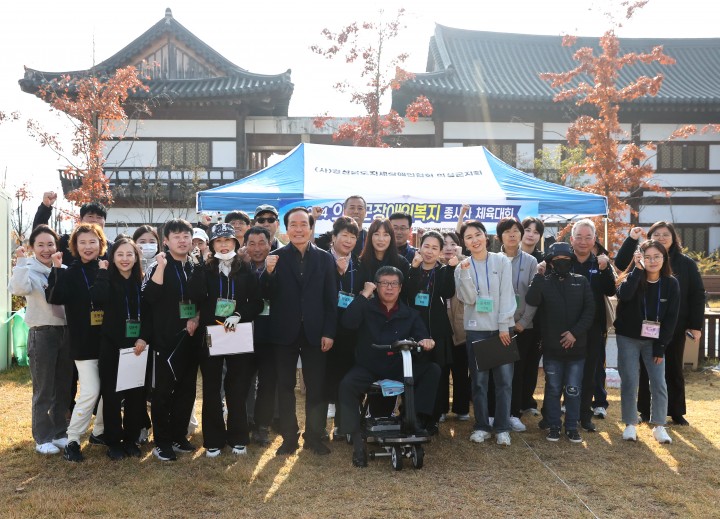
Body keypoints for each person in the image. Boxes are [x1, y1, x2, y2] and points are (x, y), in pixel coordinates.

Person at [338, 266, 440, 467]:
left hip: (398, 366)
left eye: (394, 284)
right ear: (376, 286)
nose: (389, 288)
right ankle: (356, 437)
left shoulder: (410, 314)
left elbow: (422, 336)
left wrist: (426, 341)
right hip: (369, 366)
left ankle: (413, 420)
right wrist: (364, 294)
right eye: (384, 283)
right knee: (347, 385)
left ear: (400, 288)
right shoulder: (365, 307)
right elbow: (348, 322)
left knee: (432, 370)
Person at [261, 207, 338, 456]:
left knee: (316, 387)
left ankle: (314, 436)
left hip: (316, 333)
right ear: (286, 229)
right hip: (283, 332)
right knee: (285, 387)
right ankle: (289, 438)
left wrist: (329, 332)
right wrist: (268, 273)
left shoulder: (325, 259)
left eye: (303, 224)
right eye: (293, 224)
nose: (298, 229)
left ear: (311, 228)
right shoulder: (275, 257)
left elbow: (331, 300)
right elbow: (266, 295)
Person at [614, 222, 704, 425]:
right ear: (649, 238)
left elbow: (697, 294)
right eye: (657, 234)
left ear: (674, 238)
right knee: (646, 371)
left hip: (674, 324)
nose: (661, 237)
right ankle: (645, 410)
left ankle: (676, 411)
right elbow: (621, 265)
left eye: (666, 234)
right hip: (641, 329)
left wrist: (695, 325)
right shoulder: (642, 260)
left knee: (673, 368)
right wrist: (631, 239)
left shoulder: (686, 263)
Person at [190, 223, 263, 457]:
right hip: (211, 334)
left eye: (228, 241)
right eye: (219, 241)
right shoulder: (205, 269)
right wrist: (199, 265)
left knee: (237, 387)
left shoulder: (245, 269)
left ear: (235, 243)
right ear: (212, 245)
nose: (223, 245)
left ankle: (238, 437)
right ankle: (213, 439)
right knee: (211, 388)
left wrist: (239, 314)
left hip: (237, 333)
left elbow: (257, 302)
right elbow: (195, 295)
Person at [46, 223, 109, 462]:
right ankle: (73, 439)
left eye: (92, 241)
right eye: (82, 242)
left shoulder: (107, 267)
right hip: (83, 343)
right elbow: (55, 297)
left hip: (108, 341)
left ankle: (99, 432)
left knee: (109, 390)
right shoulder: (70, 272)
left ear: (101, 244)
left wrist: (104, 272)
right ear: (74, 246)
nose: (87, 246)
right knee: (91, 391)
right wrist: (56, 268)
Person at [9, 225, 72, 455]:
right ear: (32, 248)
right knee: (44, 388)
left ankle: (59, 433)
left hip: (66, 332)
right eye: (41, 245)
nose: (46, 249)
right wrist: (20, 262)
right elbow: (17, 289)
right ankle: (43, 437)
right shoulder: (28, 269)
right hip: (42, 332)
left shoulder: (63, 269)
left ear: (57, 246)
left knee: (63, 386)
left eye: (50, 244)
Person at [142, 219, 201, 461]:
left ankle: (179, 436)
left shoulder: (196, 266)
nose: (182, 240)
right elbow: (148, 297)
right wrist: (161, 267)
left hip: (191, 338)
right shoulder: (158, 265)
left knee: (186, 391)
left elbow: (204, 298)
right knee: (162, 393)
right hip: (164, 340)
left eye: (186, 236)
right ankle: (162, 442)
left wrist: (196, 316)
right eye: (176, 236)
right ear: (165, 241)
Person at [455, 220, 517, 446]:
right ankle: (481, 425)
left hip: (502, 329)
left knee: (504, 381)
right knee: (479, 382)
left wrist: (503, 326)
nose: (475, 240)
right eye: (469, 237)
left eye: (478, 234)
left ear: (485, 236)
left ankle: (502, 427)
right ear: (464, 242)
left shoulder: (501, 261)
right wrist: (464, 274)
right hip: (476, 330)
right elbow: (469, 299)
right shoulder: (461, 268)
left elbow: (507, 295)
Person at [526, 242, 595, 443]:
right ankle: (554, 425)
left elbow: (589, 311)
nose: (561, 263)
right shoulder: (544, 281)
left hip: (577, 348)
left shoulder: (581, 281)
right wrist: (538, 275)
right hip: (552, 348)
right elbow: (531, 300)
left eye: (565, 259)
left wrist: (574, 333)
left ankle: (572, 426)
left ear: (571, 261)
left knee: (573, 390)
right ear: (550, 263)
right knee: (553, 389)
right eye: (556, 260)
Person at [614, 240, 679, 444]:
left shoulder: (671, 283)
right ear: (639, 258)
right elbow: (624, 295)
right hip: (628, 337)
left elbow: (671, 319)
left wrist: (661, 347)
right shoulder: (631, 278)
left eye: (657, 256)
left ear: (664, 258)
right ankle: (630, 424)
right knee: (630, 380)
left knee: (659, 382)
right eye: (647, 257)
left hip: (655, 340)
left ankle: (659, 426)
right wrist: (637, 270)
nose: (652, 261)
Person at [97, 238, 148, 460]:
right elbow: (97, 299)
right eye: (120, 254)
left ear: (136, 258)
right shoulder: (106, 279)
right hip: (111, 347)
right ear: (112, 257)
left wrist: (143, 337)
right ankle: (113, 442)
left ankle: (130, 440)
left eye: (129, 254)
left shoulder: (142, 282)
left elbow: (150, 314)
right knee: (111, 396)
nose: (125, 259)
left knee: (136, 396)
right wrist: (102, 272)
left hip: (137, 347)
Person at [405, 230, 458, 432]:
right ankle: (413, 414)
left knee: (439, 374)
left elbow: (448, 292)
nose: (429, 251)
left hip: (438, 329)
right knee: (415, 372)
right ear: (419, 247)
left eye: (435, 248)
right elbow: (407, 293)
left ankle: (434, 417)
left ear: (440, 251)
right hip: (414, 329)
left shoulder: (443, 271)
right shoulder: (413, 268)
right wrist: (413, 268)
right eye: (426, 246)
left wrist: (451, 269)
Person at [568, 219, 616, 432]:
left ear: (595, 240)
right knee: (568, 372)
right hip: (568, 328)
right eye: (579, 237)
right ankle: (567, 410)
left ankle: (585, 415)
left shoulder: (600, 263)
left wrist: (604, 270)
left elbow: (611, 290)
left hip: (594, 328)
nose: (583, 241)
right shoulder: (563, 262)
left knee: (590, 373)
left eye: (588, 237)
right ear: (571, 239)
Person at [323, 216, 366, 440]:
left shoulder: (358, 263)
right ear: (334, 237)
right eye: (344, 236)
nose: (348, 241)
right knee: (323, 378)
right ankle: (318, 429)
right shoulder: (322, 259)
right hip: (325, 329)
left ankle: (343, 425)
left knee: (346, 378)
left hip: (350, 329)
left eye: (353, 237)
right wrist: (336, 273)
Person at [496, 217, 538, 432]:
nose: (512, 234)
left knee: (517, 372)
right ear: (499, 236)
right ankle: (494, 413)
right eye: (507, 231)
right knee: (497, 371)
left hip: (522, 327)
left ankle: (514, 413)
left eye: (515, 230)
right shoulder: (492, 259)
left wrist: (523, 322)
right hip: (497, 326)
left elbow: (534, 296)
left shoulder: (531, 262)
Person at [244, 226, 277, 445]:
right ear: (245, 245)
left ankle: (262, 426)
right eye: (252, 243)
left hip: (270, 335)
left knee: (267, 384)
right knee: (243, 382)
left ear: (270, 244)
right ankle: (244, 422)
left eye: (262, 243)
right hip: (243, 333)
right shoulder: (239, 267)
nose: (257, 248)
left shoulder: (278, 265)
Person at [440, 231, 471, 422]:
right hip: (441, 329)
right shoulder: (434, 266)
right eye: (444, 244)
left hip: (462, 327)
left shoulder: (467, 265)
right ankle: (441, 408)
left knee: (461, 370)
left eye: (453, 244)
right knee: (442, 371)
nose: (448, 248)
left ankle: (461, 408)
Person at [33, 192, 111, 266]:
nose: (94, 220)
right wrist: (45, 207)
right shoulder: (65, 241)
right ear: (81, 219)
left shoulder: (111, 248)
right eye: (90, 216)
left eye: (99, 217)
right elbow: (41, 234)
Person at [518, 217, 545, 416]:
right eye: (527, 229)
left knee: (531, 362)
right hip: (511, 320)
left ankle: (527, 401)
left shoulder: (544, 260)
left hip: (536, 321)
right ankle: (511, 402)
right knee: (513, 364)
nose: (531, 234)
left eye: (536, 232)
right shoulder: (506, 255)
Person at [359, 219, 410, 285]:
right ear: (370, 237)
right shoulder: (360, 263)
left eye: (385, 235)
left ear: (391, 238)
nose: (381, 239)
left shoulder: (402, 263)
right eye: (376, 234)